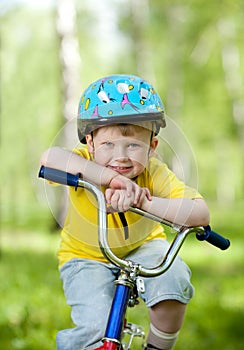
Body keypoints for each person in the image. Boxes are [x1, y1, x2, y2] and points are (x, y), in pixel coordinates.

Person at [40, 74, 210, 350]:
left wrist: (142, 202)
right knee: (95, 326)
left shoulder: (154, 174)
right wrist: (109, 178)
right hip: (84, 257)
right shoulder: (82, 162)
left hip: (144, 246)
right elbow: (49, 158)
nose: (120, 156)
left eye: (133, 145)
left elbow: (200, 213)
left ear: (152, 147)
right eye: (108, 145)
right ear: (90, 144)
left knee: (173, 279)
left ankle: (157, 347)